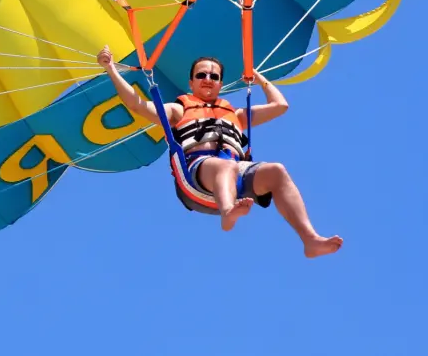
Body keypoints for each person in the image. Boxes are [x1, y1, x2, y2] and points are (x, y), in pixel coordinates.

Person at [97, 45, 343, 259]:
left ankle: (310, 240)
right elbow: (136, 105)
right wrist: (111, 69)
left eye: (214, 76)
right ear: (191, 82)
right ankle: (228, 212)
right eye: (201, 75)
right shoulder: (178, 109)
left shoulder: (235, 115)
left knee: (277, 171)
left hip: (237, 173)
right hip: (197, 176)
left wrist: (259, 79)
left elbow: (280, 106)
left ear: (221, 84)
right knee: (224, 166)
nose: (207, 79)